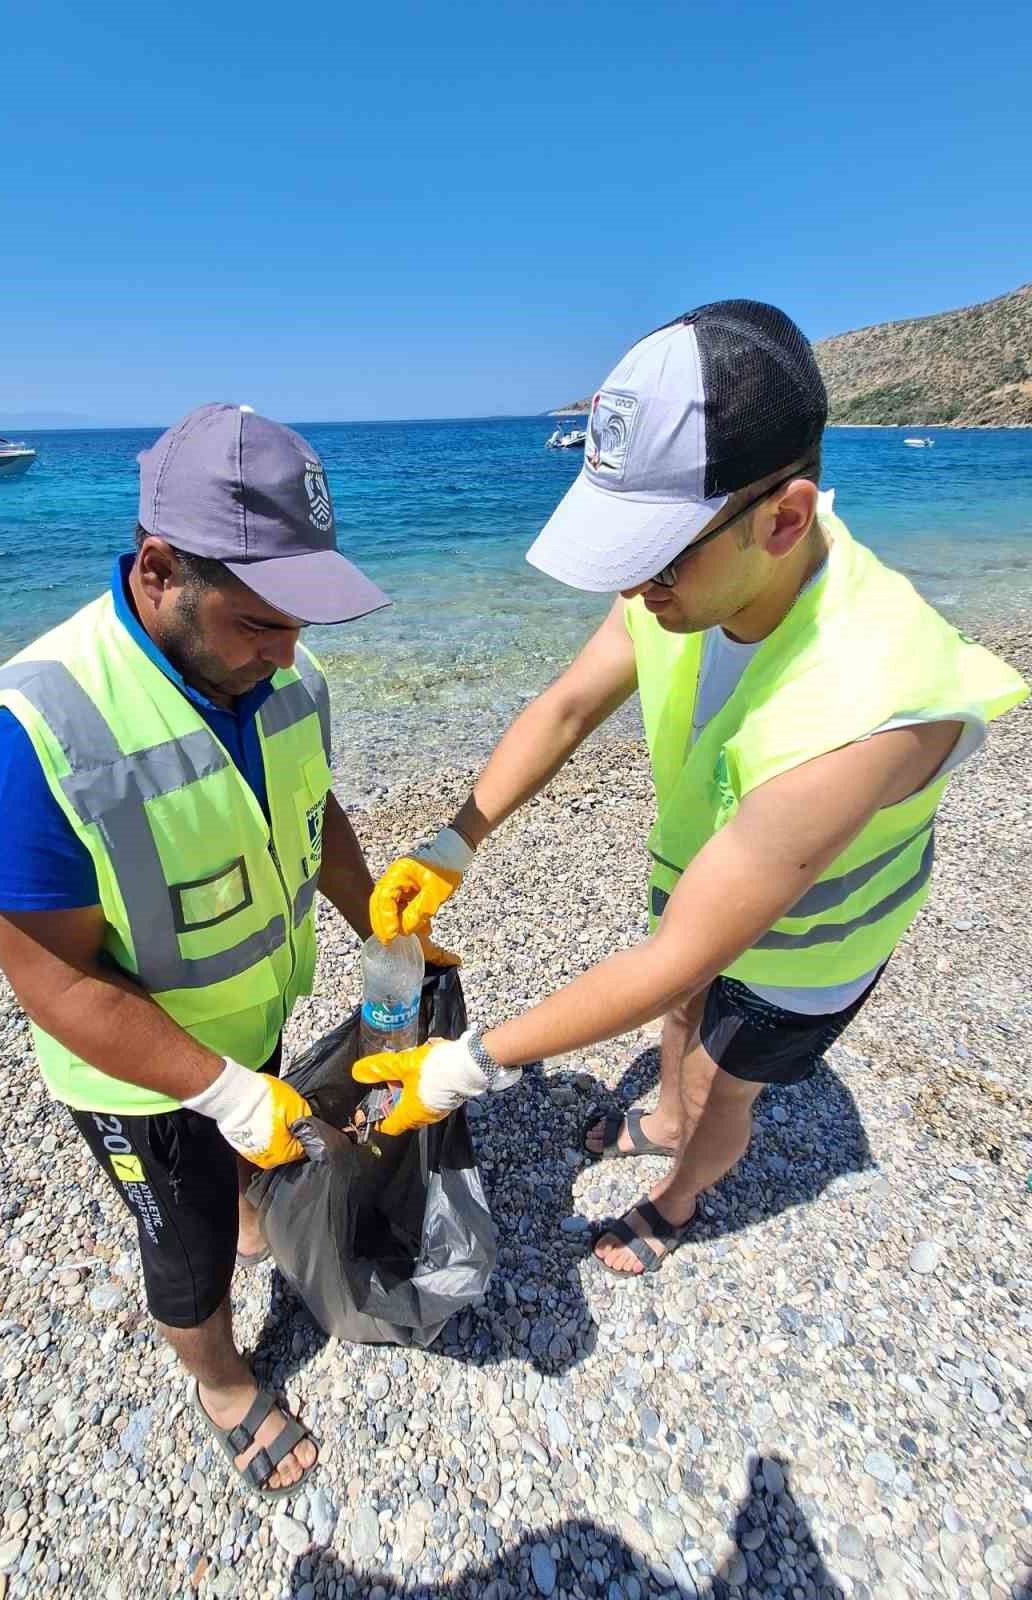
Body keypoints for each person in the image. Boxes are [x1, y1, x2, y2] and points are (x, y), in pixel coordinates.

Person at [359, 300, 1028, 1282]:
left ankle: (677, 1197)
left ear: (784, 515)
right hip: (713, 880)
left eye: (655, 556)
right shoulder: (697, 578)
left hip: (811, 945)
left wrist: (463, 1065)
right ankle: (660, 1115)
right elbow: (568, 708)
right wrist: (454, 842)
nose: (633, 590)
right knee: (679, 1020)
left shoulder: (869, 701)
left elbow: (679, 953)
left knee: (721, 1085)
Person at [0, 404, 392, 1498]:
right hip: (135, 1076)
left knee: (237, 1172)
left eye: (301, 623)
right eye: (262, 624)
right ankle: (221, 1381)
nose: (290, 654)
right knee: (185, 1250)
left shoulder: (284, 680)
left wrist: (382, 921)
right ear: (161, 567)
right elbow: (53, 980)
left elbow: (310, 814)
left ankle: (234, 1193)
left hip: (251, 1016)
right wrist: (221, 1090)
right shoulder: (23, 744)